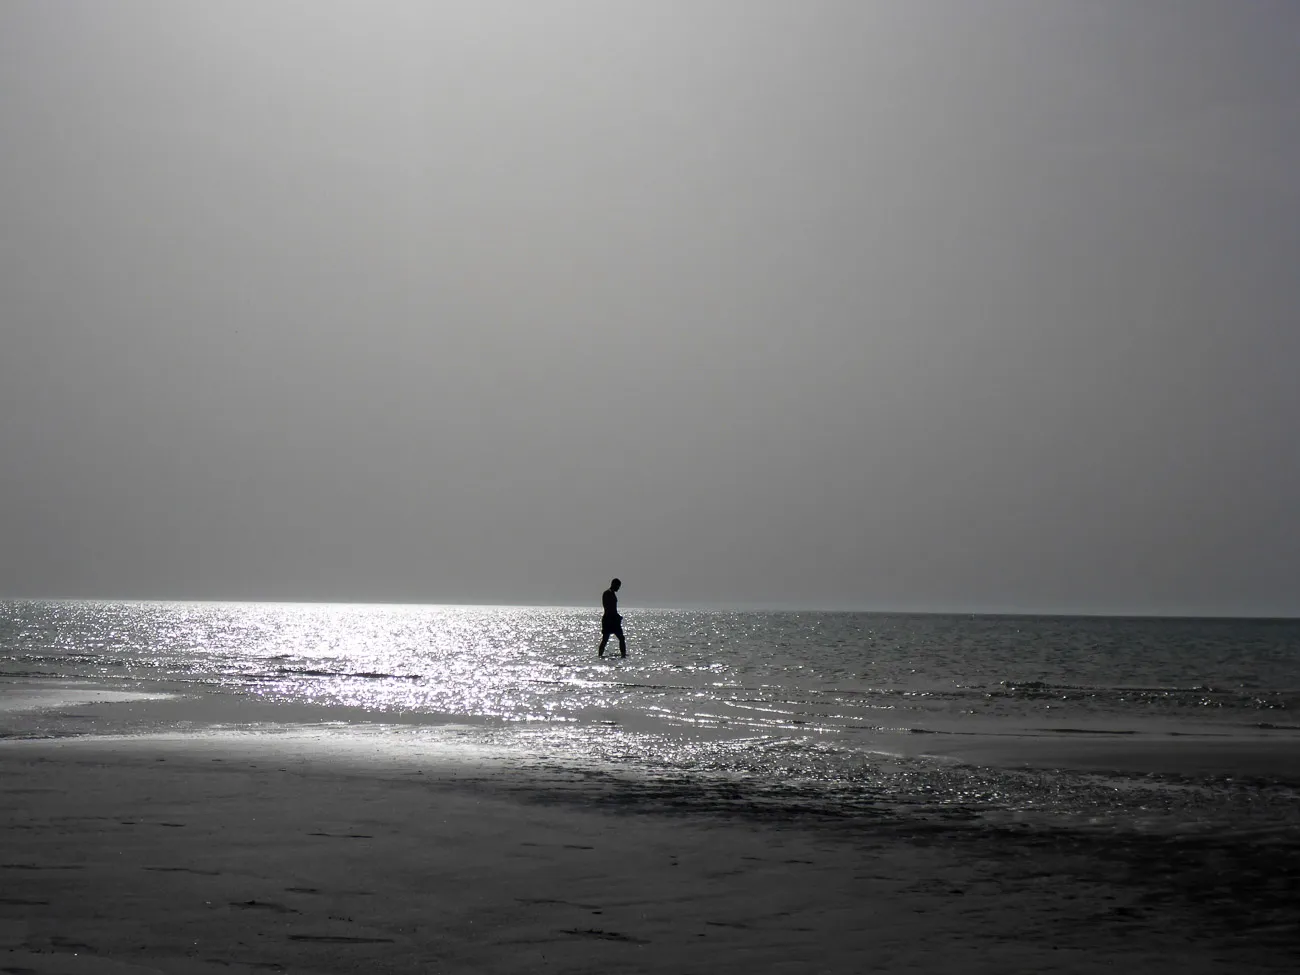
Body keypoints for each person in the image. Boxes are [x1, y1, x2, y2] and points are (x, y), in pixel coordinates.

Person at [599, 578, 625, 658]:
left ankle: (623, 655)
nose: (618, 588)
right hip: (609, 620)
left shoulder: (612, 594)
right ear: (614, 584)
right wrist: (616, 616)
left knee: (621, 638)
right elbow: (609, 608)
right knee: (605, 639)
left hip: (614, 619)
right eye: (618, 586)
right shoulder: (607, 593)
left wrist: (617, 617)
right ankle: (600, 655)